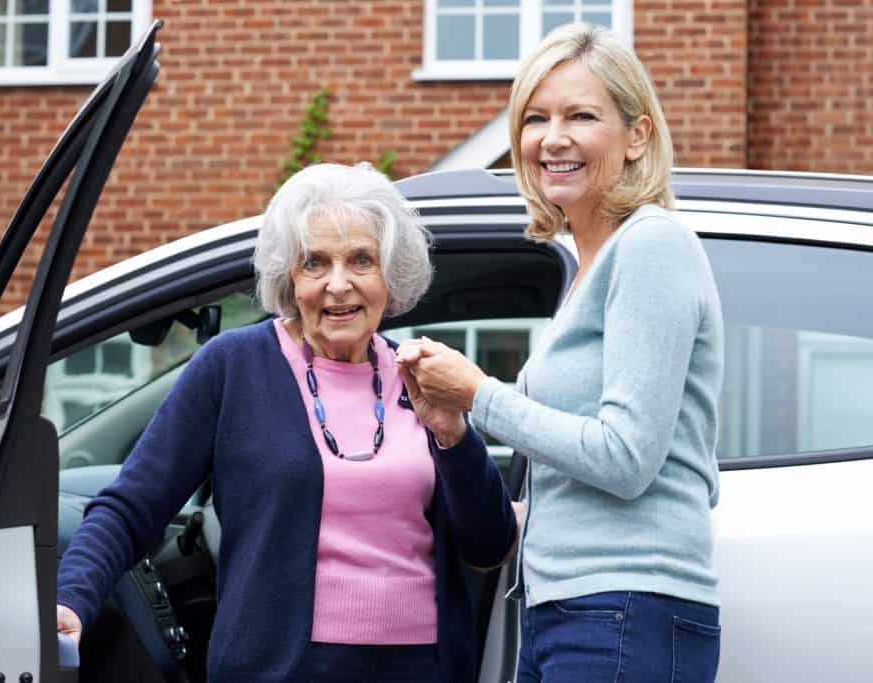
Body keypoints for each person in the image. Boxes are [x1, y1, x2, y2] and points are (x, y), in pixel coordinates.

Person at [56, 162, 517, 682]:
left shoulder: (423, 375)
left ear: (390, 276)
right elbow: (133, 505)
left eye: (361, 261)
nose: (337, 285)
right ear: (289, 277)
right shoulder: (234, 366)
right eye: (315, 263)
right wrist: (72, 598)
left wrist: (453, 435)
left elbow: (489, 546)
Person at [396, 23, 724, 683]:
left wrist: (481, 394)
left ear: (637, 135)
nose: (553, 137)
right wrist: (454, 425)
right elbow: (572, 472)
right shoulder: (588, 268)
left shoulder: (651, 245)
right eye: (536, 118)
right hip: (569, 608)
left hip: (622, 608)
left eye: (582, 115)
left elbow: (626, 458)